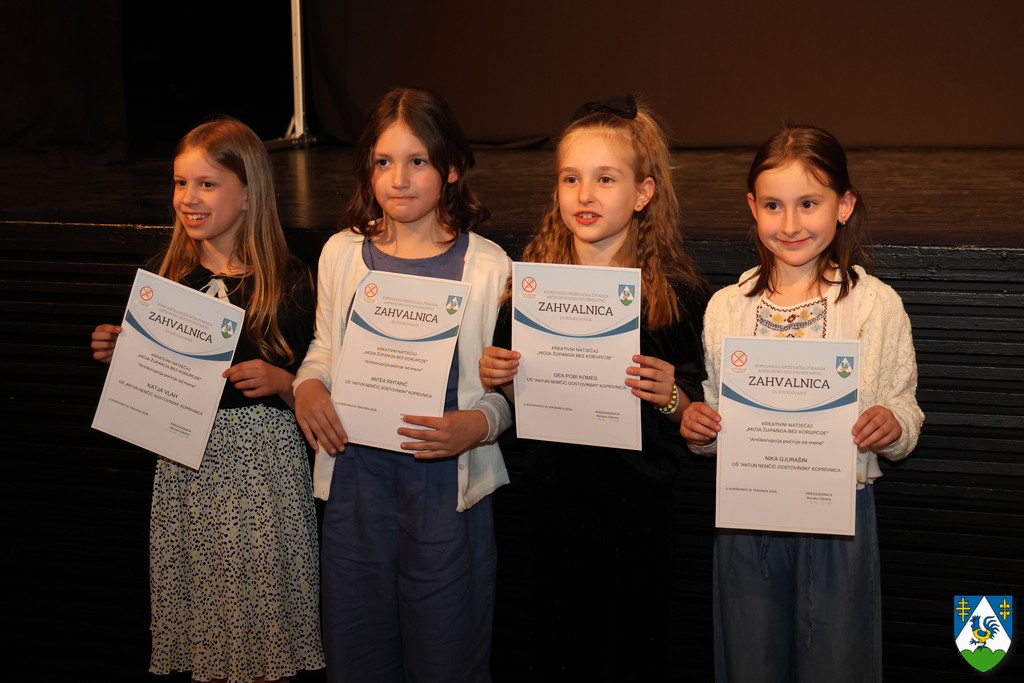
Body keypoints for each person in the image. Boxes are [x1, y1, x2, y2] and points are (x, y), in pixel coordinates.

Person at [679, 125, 925, 682]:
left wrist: (892, 424)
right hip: (747, 520)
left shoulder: (874, 305)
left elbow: (904, 406)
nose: (789, 224)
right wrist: (700, 426)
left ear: (844, 206)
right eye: (773, 206)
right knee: (750, 659)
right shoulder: (727, 308)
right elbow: (717, 416)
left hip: (839, 520)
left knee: (836, 661)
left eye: (808, 204)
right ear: (753, 208)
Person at [479, 94, 710, 682]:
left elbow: (694, 410)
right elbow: (517, 400)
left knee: (637, 652)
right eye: (571, 178)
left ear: (643, 193)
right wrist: (501, 379)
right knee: (564, 650)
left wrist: (673, 395)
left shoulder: (673, 295)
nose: (585, 194)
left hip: (641, 507)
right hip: (554, 502)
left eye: (605, 179)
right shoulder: (530, 292)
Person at [90, 117, 325, 682]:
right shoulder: (164, 277)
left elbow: (321, 383)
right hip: (185, 472)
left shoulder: (289, 280)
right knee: (205, 627)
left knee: (263, 628)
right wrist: (118, 352)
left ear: (247, 193)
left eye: (207, 184)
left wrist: (283, 382)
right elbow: (153, 382)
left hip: (262, 473)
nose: (188, 198)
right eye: (180, 183)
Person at [292, 86, 512, 683]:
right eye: (384, 161)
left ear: (451, 167)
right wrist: (307, 387)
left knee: (447, 657)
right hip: (356, 485)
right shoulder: (342, 254)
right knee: (357, 655)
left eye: (418, 161)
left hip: (447, 492)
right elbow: (323, 351)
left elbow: (508, 389)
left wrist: (480, 424)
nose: (399, 179)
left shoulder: (489, 267)